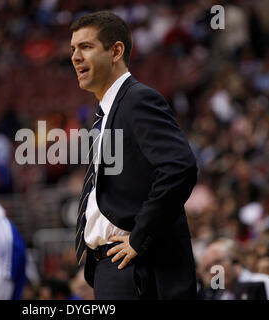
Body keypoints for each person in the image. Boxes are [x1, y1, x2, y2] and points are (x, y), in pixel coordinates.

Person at [71, 11, 198, 299]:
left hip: (138, 264)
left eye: (86, 47)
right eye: (73, 49)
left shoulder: (138, 99)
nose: (75, 57)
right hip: (113, 265)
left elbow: (179, 168)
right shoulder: (106, 112)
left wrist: (141, 237)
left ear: (116, 51)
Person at [199, 238, 269, 300]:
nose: (214, 271)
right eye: (208, 268)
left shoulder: (263, 282)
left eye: (218, 262)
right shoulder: (221, 296)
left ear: (234, 259)